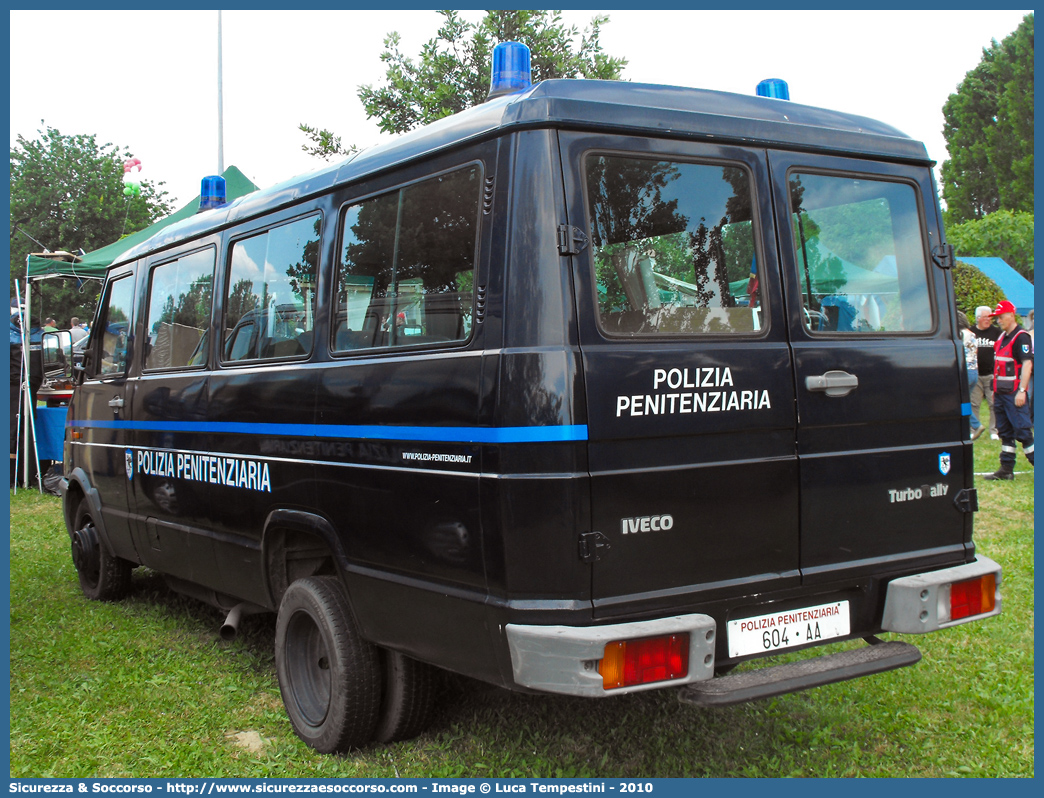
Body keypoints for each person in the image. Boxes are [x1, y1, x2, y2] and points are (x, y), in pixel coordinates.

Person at [983, 300, 1033, 481]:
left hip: (1014, 394)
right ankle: (1006, 469)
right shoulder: (1002, 337)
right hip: (1001, 394)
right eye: (997, 318)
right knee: (1005, 433)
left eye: (1001, 317)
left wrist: (1021, 391)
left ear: (1011, 315)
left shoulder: (1021, 337)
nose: (999, 321)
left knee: (1023, 432)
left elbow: (1027, 364)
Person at [971, 305, 1001, 439]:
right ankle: (974, 429)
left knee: (993, 403)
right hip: (976, 373)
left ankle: (994, 430)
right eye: (985, 317)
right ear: (978, 318)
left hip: (992, 374)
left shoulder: (997, 332)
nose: (988, 320)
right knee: (974, 403)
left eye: (990, 317)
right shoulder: (971, 332)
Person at [958, 312, 983, 439]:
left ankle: (976, 424)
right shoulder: (972, 334)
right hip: (974, 371)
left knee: (960, 401)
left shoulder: (960, 334)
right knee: (965, 400)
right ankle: (968, 428)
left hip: (965, 370)